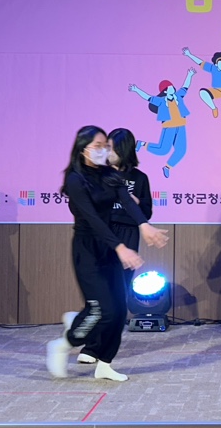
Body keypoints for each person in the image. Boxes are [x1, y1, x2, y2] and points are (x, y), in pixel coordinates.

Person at [47, 126, 168, 381]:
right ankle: (64, 344)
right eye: (98, 146)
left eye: (106, 146)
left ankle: (104, 364)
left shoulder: (110, 175)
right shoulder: (76, 180)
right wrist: (120, 247)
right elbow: (93, 220)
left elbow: (127, 201)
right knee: (103, 310)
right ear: (83, 149)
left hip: (110, 248)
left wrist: (144, 225)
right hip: (88, 250)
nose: (104, 151)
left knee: (119, 310)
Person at [75, 127, 151, 366]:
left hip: (128, 234)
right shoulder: (100, 174)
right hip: (106, 234)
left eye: (111, 148)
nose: (107, 152)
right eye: (104, 147)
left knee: (120, 293)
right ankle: (91, 346)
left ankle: (105, 352)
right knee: (100, 294)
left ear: (124, 150)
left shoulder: (139, 178)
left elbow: (146, 212)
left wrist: (134, 203)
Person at [129, 68, 197, 177]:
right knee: (163, 150)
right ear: (165, 91)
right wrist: (136, 90)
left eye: (172, 87)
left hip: (181, 126)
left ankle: (167, 167)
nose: (172, 88)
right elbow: (148, 97)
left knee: (181, 150)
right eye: (170, 88)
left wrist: (190, 75)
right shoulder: (160, 101)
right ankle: (142, 144)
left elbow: (185, 87)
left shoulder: (178, 96)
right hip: (169, 127)